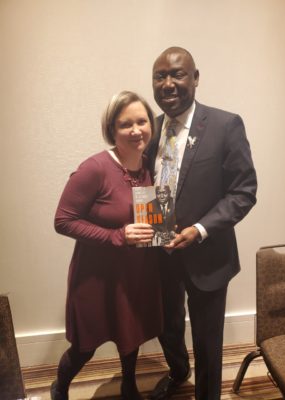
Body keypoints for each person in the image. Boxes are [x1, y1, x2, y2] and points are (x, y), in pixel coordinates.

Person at [146, 47, 257, 400]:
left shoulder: (226, 125)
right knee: (168, 327)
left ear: (195, 78)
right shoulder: (151, 128)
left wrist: (201, 230)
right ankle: (179, 372)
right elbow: (144, 184)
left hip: (208, 255)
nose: (168, 84)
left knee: (208, 341)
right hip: (161, 253)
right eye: (159, 76)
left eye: (177, 74)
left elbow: (243, 191)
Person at [52, 91, 162, 400]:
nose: (136, 130)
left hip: (135, 274)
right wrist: (117, 236)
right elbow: (63, 221)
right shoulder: (94, 168)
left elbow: (150, 220)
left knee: (131, 336)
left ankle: (129, 386)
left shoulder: (148, 168)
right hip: (96, 278)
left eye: (142, 121)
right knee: (85, 346)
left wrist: (166, 234)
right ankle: (59, 388)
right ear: (112, 129)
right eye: (126, 124)